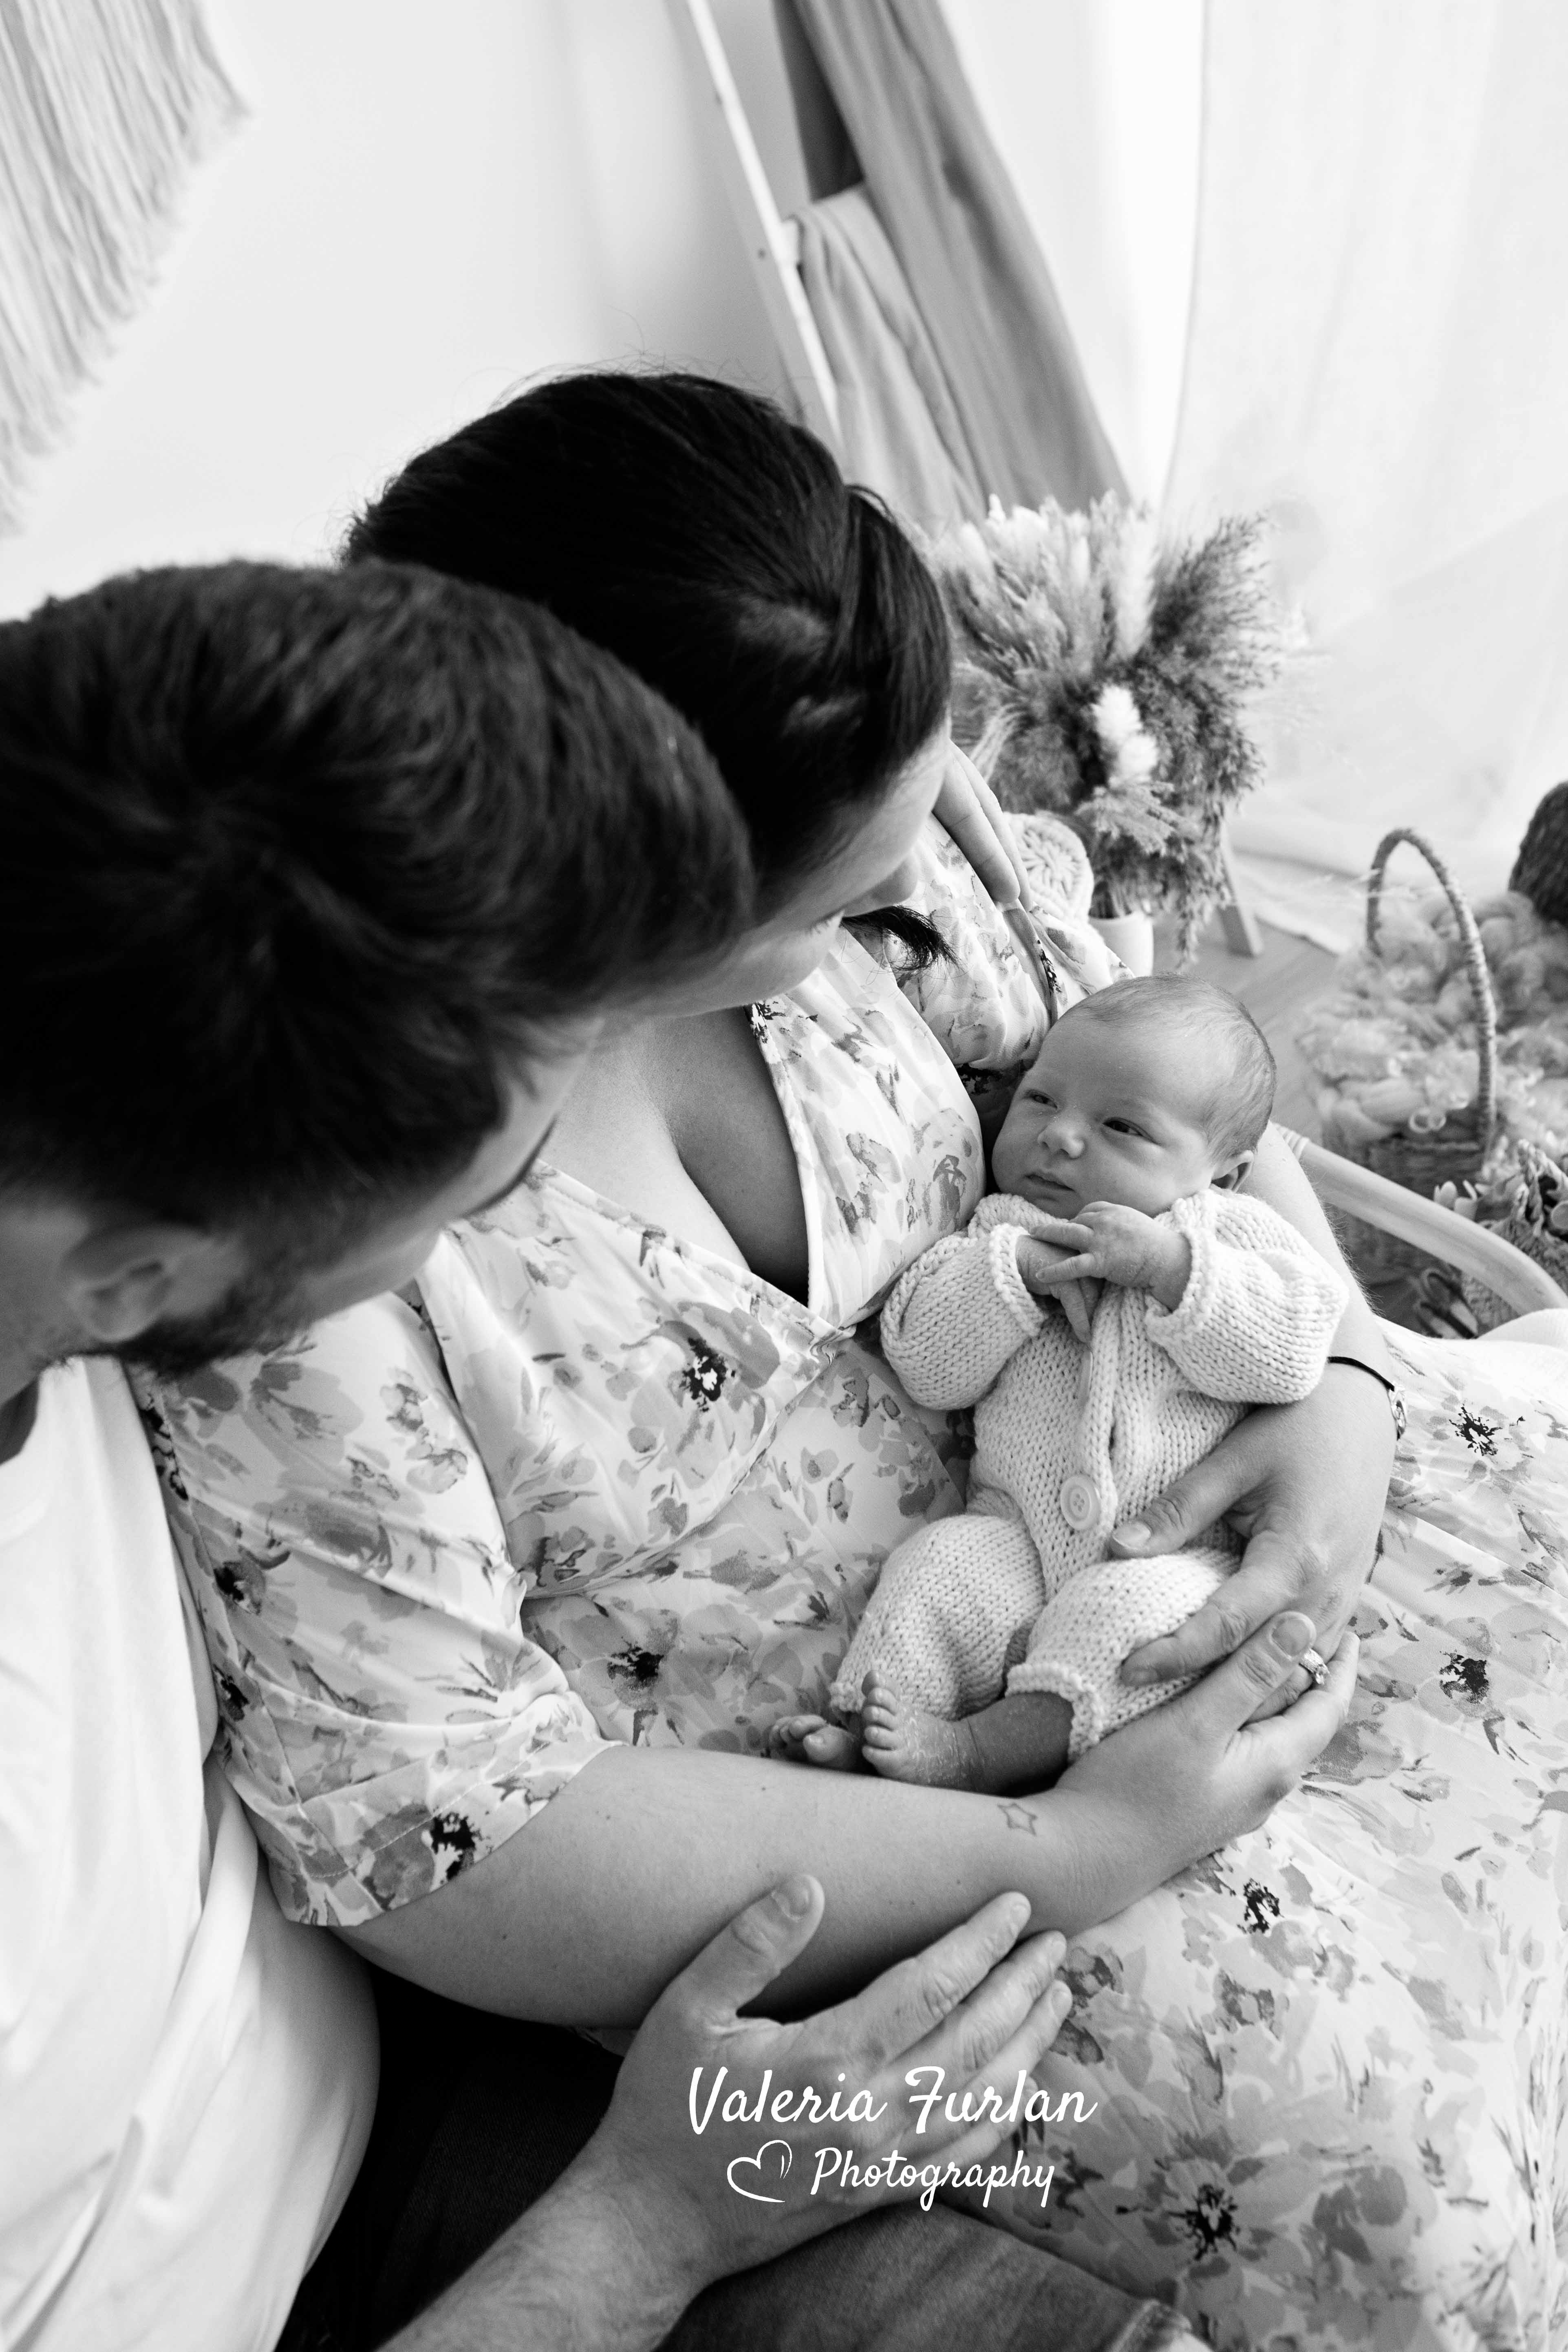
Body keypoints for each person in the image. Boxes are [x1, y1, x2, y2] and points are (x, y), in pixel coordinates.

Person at [143, 373, 1568, 2340]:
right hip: (909, 1798)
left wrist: (1338, 1390)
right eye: (859, 900)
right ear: (638, 886)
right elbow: (437, 1838)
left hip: (1184, 1478)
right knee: (1423, 2204)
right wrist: (1063, 1845)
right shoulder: (341, 1231)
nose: (940, 893)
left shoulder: (885, 839)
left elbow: (1175, 1092)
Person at [0, 559, 1188, 2352]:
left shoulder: (91, 1057)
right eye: (493, 1183)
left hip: (416, 2083)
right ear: (155, 1279)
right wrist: (643, 2231)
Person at [799, 977, 1346, 1789]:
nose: (1058, 1138)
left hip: (1189, 1557)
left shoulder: (1228, 1236)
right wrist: (1017, 1274)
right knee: (937, 1571)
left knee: (1118, 1622)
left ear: (1220, 1175)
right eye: (1040, 1099)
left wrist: (1175, 1273)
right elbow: (926, 1361)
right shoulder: (999, 1233)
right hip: (1016, 1535)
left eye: (1120, 1126)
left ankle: (977, 1754)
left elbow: (1297, 1346)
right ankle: (870, 1734)